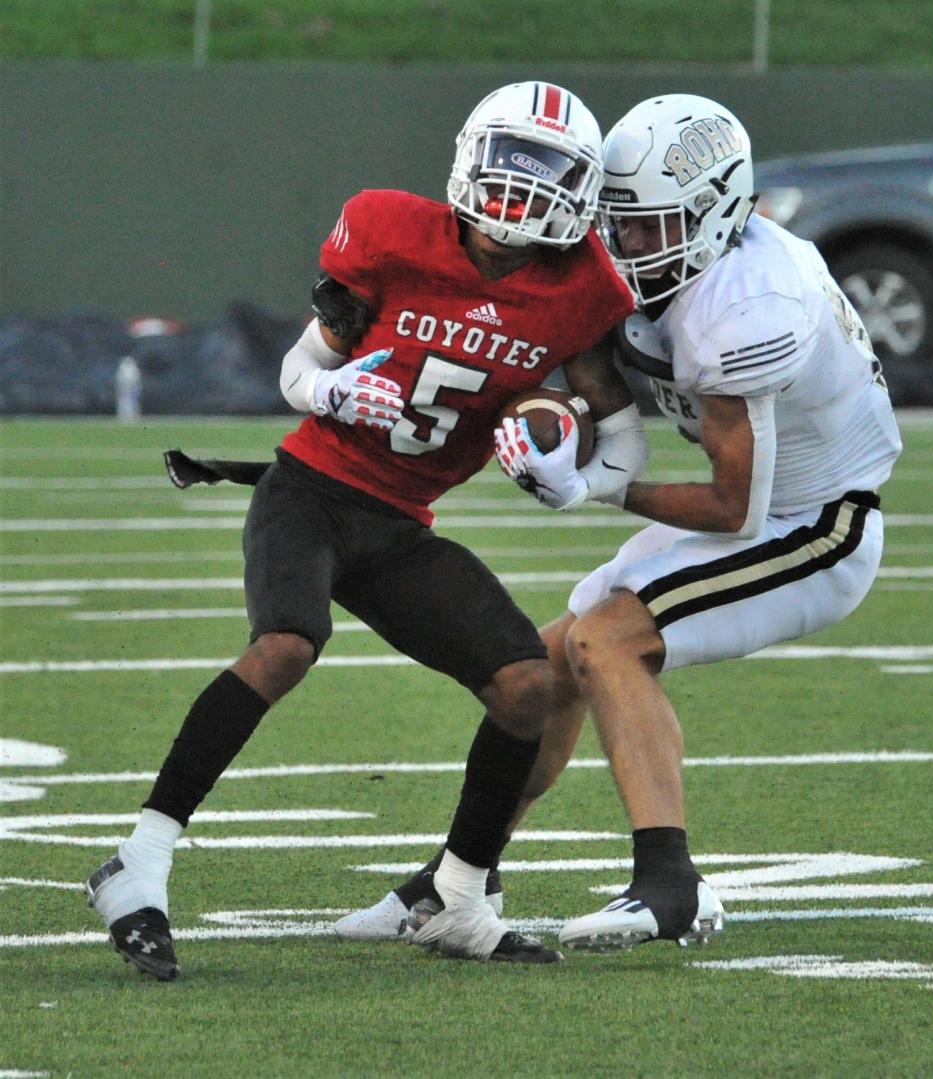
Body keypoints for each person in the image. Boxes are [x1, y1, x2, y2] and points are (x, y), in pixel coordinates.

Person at [82, 81, 644, 979]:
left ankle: (459, 893)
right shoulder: (391, 232)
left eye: (543, 174)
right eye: (508, 164)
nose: (516, 192)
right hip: (309, 490)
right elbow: (300, 366)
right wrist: (334, 389)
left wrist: (568, 485)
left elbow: (619, 438)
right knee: (287, 643)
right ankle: (138, 861)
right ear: (471, 157)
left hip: (398, 526)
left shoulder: (578, 291)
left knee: (527, 686)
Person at [334, 93, 902, 953]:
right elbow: (589, 378)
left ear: (717, 212)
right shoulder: (653, 267)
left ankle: (671, 882)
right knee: (546, 661)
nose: (627, 245)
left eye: (650, 228)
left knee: (606, 640)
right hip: (762, 512)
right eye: (617, 222)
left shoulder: (751, 305)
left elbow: (732, 505)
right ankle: (455, 879)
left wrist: (594, 487)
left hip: (816, 524)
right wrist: (550, 421)